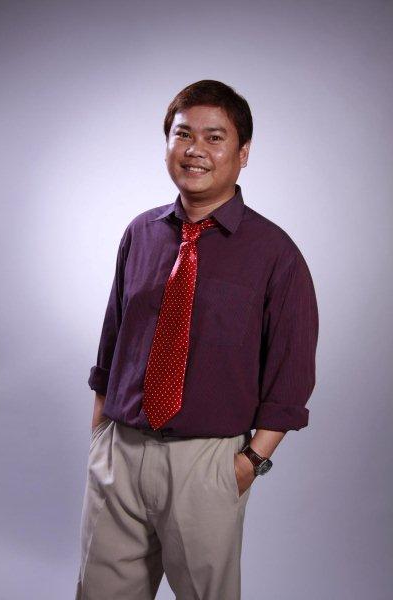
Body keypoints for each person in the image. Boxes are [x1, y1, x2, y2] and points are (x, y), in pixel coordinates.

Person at [74, 79, 319, 600]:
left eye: (214, 137)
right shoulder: (140, 233)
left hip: (206, 465)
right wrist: (101, 435)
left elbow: (291, 376)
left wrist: (247, 464)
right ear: (167, 144)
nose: (195, 150)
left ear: (243, 153)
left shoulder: (276, 254)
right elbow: (113, 342)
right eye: (183, 134)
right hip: (121, 451)